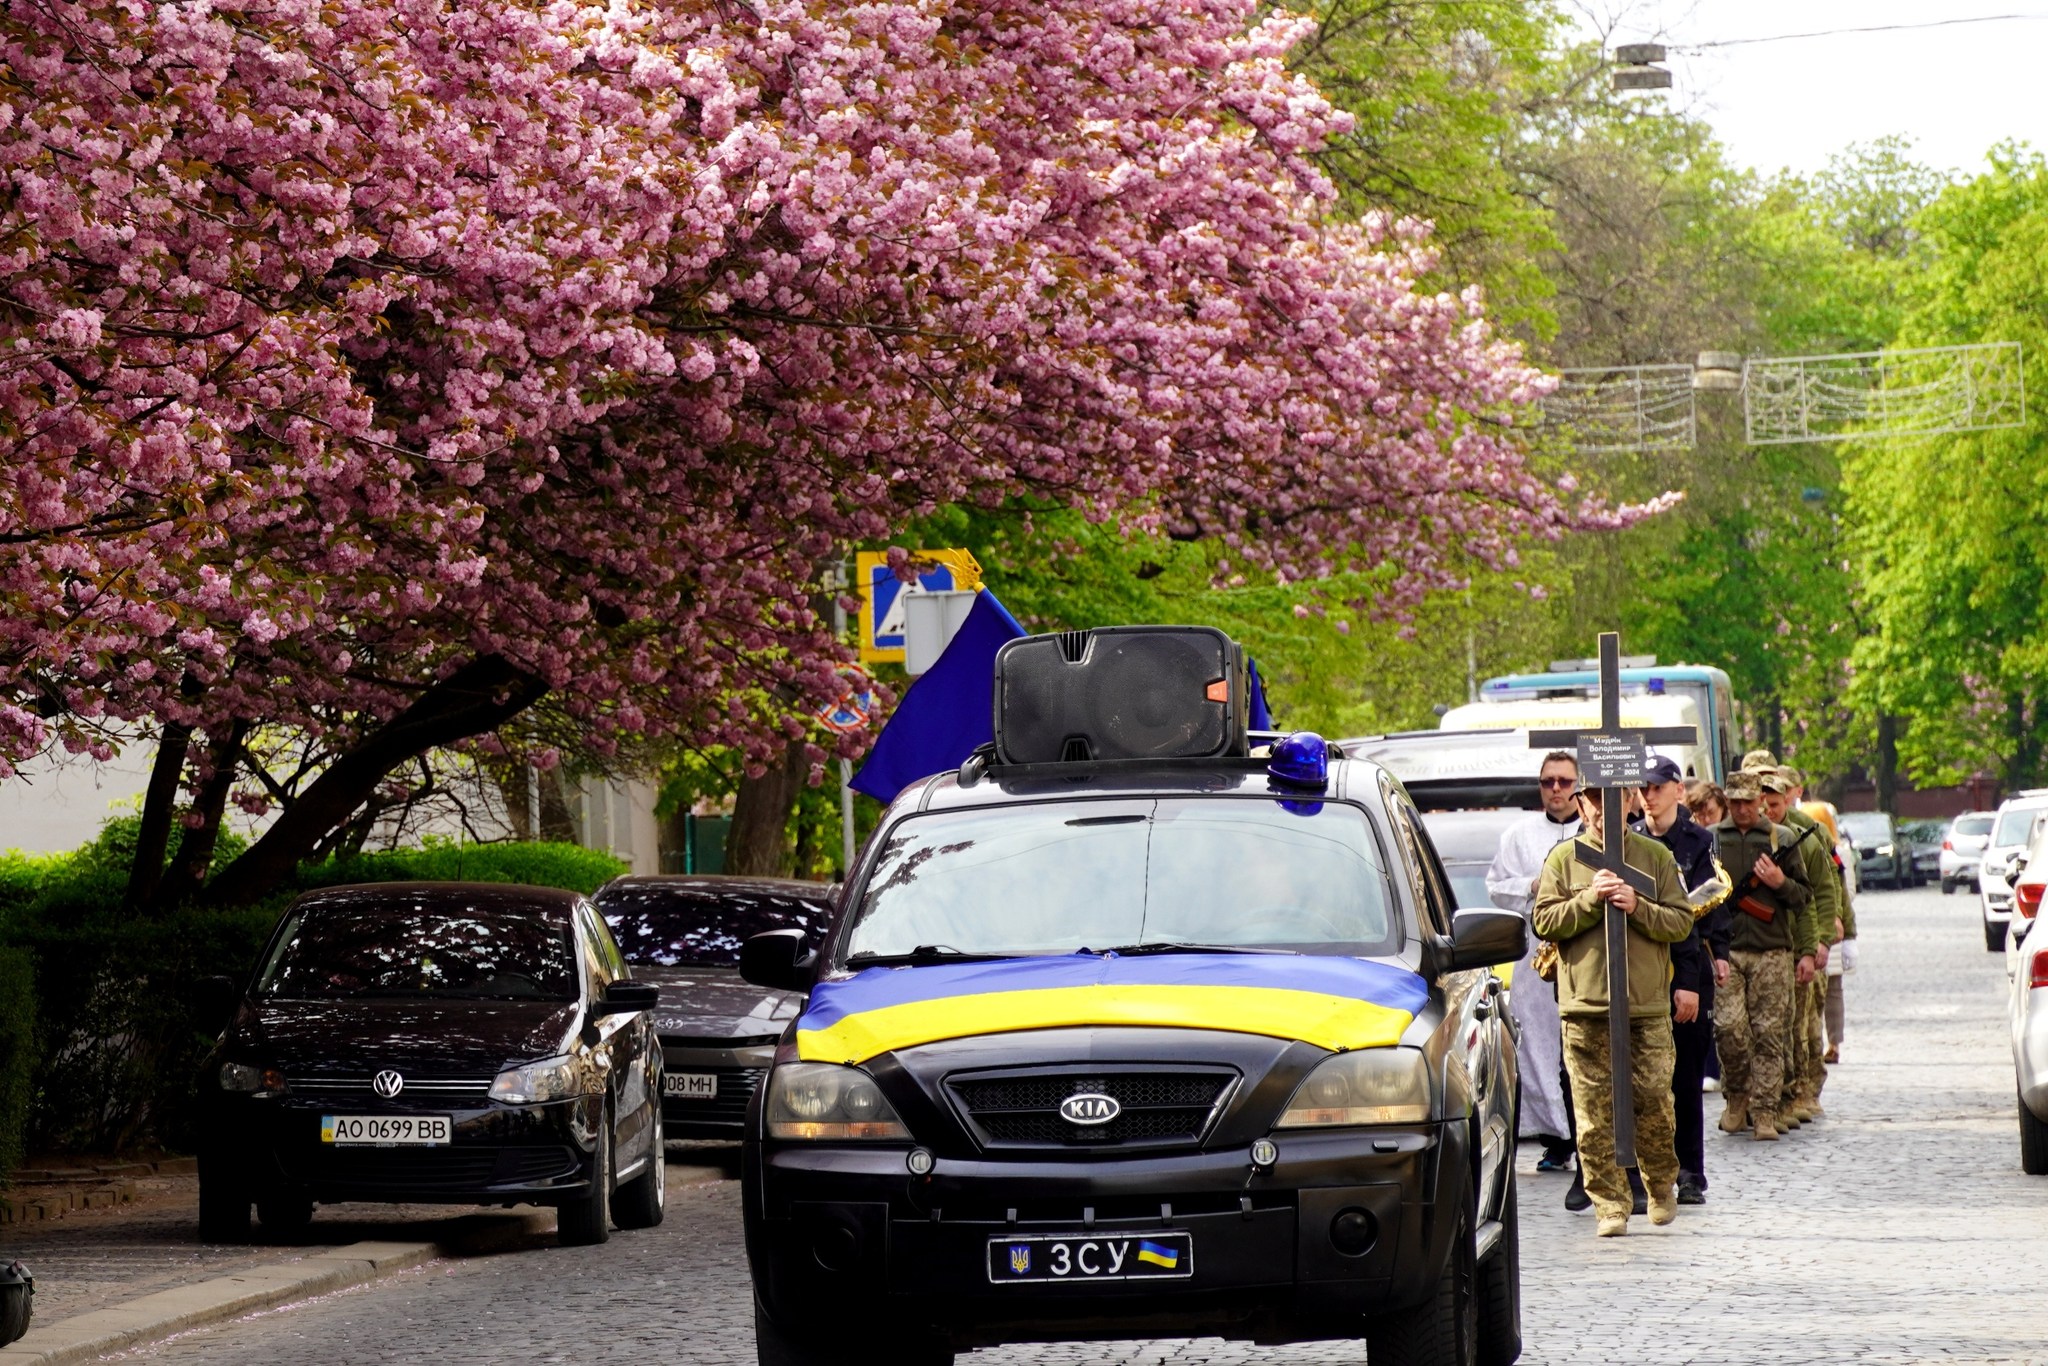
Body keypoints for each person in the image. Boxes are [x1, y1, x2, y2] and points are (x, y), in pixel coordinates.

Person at [1534, 784, 1697, 1236]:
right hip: (1586, 1005)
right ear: (1581, 805)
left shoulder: (1655, 857)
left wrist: (1638, 906)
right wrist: (1590, 900)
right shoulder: (1564, 859)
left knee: (1654, 1103)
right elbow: (1544, 920)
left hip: (1644, 1006)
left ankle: (1661, 1184)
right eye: (1592, 798)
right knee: (1591, 1113)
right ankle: (1609, 1203)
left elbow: (1682, 920)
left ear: (1629, 801)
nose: (1602, 807)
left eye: (1614, 796)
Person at [1487, 751, 1583, 1201]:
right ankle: (1556, 1137)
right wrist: (1530, 885)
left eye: (1565, 781)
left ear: (1579, 784)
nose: (1557, 790)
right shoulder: (1519, 834)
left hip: (1584, 959)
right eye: (1548, 782)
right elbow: (1495, 885)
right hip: (1536, 963)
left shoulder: (1592, 833)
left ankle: (1585, 1135)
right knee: (1541, 1049)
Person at [1633, 756, 1728, 1204]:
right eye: (1643, 788)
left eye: (1656, 787)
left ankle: (1691, 1172)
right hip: (1641, 969)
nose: (1648, 795)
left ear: (1676, 790)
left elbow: (1708, 908)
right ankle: (1644, 1170)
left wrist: (1712, 962)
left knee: (1685, 1077)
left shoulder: (1698, 840)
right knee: (1641, 1080)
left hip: (1686, 966)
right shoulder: (1629, 839)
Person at [1710, 769, 1817, 1142]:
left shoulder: (1781, 838)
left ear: (1760, 802)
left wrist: (1778, 882)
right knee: (1728, 1029)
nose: (1741, 809)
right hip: (1727, 950)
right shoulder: (1712, 840)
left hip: (1772, 950)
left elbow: (1804, 897)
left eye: (1747, 801)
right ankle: (1737, 1092)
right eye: (1734, 802)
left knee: (1770, 1034)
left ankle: (1766, 1111)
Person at [1761, 766, 1838, 1125]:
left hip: (1795, 941)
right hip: (1760, 942)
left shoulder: (1805, 837)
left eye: (1773, 803)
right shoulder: (1740, 837)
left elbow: (1823, 890)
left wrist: (1822, 940)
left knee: (1802, 1024)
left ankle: (1803, 1089)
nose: (1766, 811)